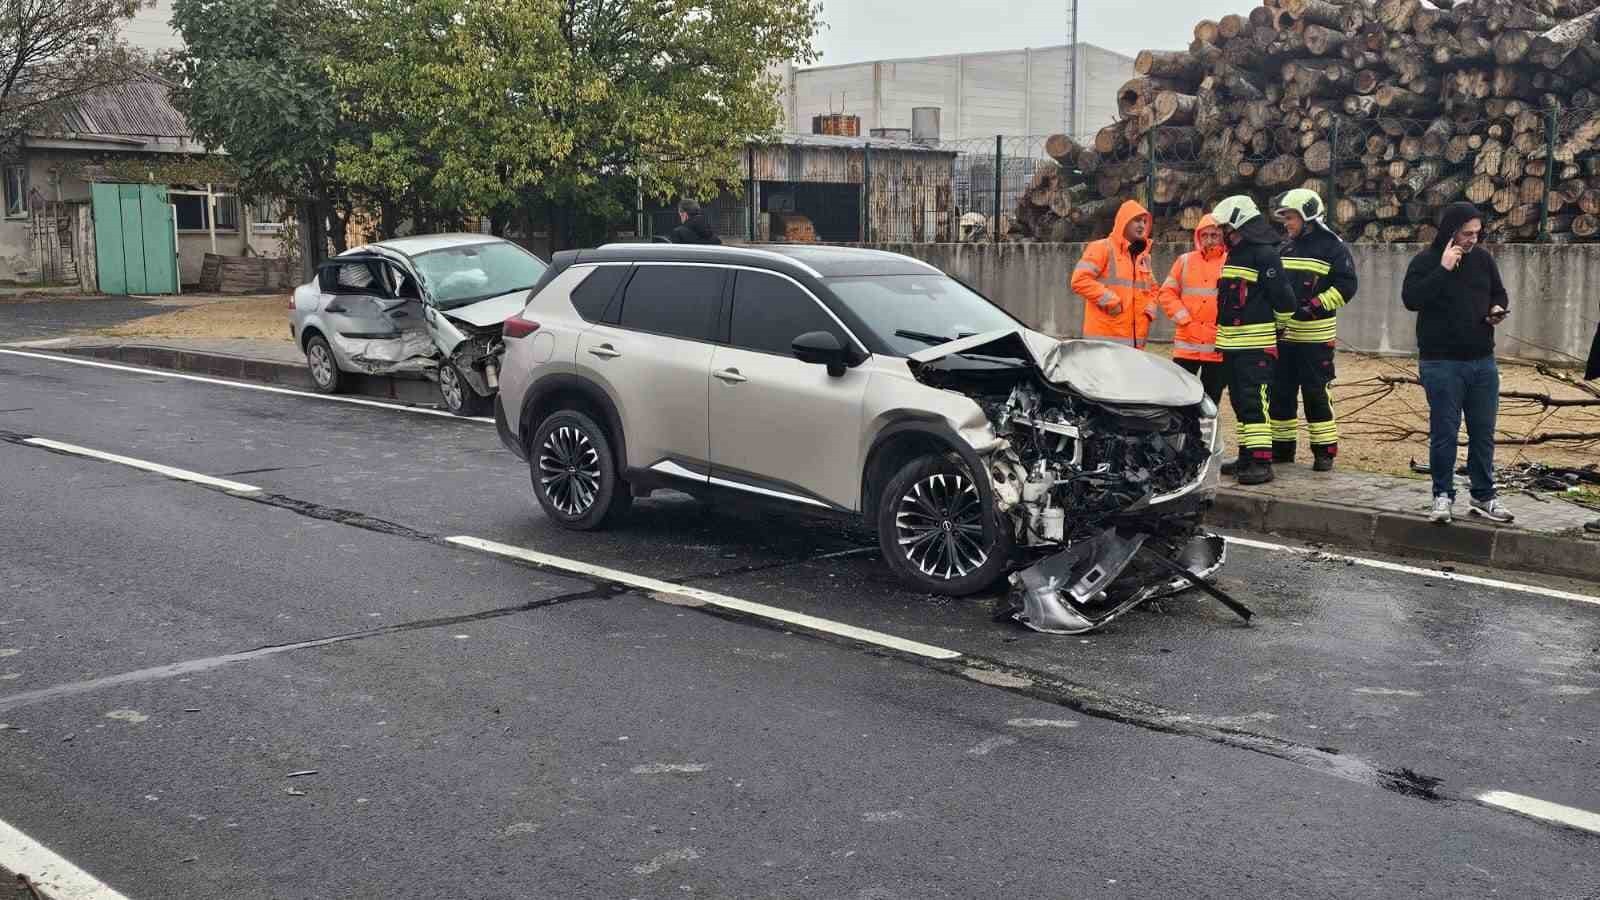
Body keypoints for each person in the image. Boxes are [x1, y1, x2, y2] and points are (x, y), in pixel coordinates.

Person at [1401, 202, 1515, 525]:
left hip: (1482, 361)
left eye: (1477, 233)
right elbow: (1411, 300)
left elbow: (1499, 293)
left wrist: (1497, 309)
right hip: (1441, 362)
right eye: (1467, 233)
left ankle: (1483, 495)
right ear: (1451, 231)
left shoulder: (1483, 259)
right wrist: (1443, 269)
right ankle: (1442, 495)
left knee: (1483, 432)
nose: (1473, 239)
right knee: (1445, 432)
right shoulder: (1425, 261)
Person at [1270, 189, 1358, 472]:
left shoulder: (1333, 248)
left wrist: (1315, 306)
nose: (1286, 223)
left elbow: (1347, 286)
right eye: (1285, 218)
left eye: (1291, 217)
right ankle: (1282, 449)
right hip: (1284, 336)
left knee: (1316, 393)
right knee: (1280, 394)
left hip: (1315, 338)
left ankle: (1324, 452)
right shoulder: (1285, 247)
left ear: (1308, 216)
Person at [1211, 195, 1297, 485]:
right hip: (1232, 346)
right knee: (1240, 402)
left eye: (1225, 227)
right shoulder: (1236, 254)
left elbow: (1285, 301)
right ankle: (1247, 456)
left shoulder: (1264, 254)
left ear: (1238, 225)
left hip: (1254, 347)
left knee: (1254, 403)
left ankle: (1262, 463)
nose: (1222, 233)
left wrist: (1277, 329)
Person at [1157, 214, 1227, 403]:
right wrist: (1184, 319)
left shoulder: (1230, 262)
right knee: (1179, 398)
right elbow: (1166, 293)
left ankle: (1207, 424)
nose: (1209, 240)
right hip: (1186, 345)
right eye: (1204, 235)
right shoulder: (1185, 261)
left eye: (1214, 235)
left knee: (1211, 401)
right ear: (1198, 236)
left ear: (1222, 236)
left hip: (1217, 346)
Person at [1071, 199, 1158, 348]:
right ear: (1124, 221)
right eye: (1137, 220)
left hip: (1135, 344)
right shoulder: (1102, 248)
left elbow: (1154, 289)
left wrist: (1149, 312)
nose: (1142, 225)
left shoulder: (1143, 257)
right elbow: (1079, 280)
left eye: (1144, 221)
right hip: (1104, 343)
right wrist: (1111, 301)